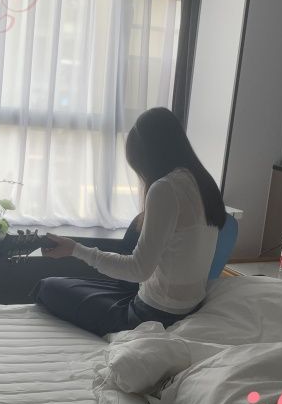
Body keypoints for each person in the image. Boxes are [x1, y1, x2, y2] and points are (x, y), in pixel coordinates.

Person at [34, 107, 226, 336]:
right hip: (188, 307)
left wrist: (75, 249)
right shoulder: (204, 183)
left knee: (48, 287)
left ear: (149, 158)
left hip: (152, 314)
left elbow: (138, 270)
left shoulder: (165, 189)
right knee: (75, 285)